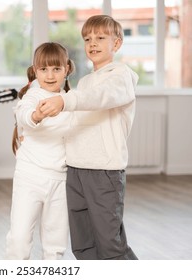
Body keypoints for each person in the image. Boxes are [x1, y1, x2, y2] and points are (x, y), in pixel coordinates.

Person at [39, 15, 139, 260]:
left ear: (116, 44)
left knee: (110, 244)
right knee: (82, 244)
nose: (92, 43)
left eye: (100, 38)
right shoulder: (84, 82)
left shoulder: (121, 76)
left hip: (104, 172)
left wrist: (65, 100)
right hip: (76, 170)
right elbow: (75, 121)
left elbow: (100, 97)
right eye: (87, 38)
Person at [6, 42, 75, 259]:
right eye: (43, 69)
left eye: (56, 69)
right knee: (19, 238)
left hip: (60, 179)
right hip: (30, 177)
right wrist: (36, 116)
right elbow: (24, 115)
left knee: (55, 245)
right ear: (35, 71)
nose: (50, 75)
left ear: (67, 69)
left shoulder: (72, 100)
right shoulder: (33, 96)